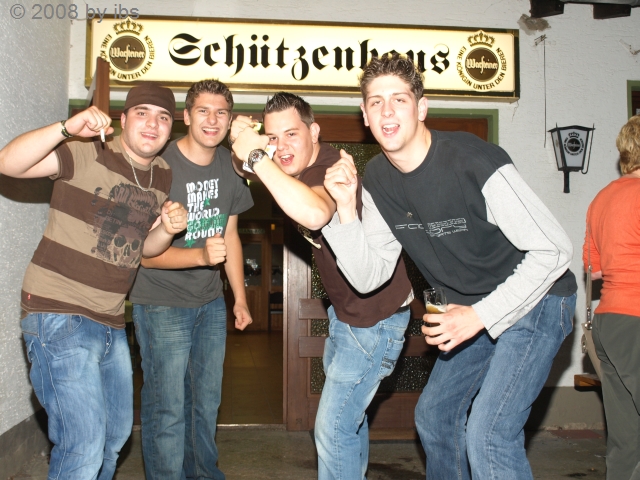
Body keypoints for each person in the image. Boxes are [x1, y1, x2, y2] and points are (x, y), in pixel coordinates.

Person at [321, 54, 578, 479]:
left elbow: (554, 250)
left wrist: (479, 316)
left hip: (539, 298)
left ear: (421, 108)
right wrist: (346, 210)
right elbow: (369, 277)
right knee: (436, 417)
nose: (387, 111)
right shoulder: (378, 178)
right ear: (365, 115)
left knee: (489, 434)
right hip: (470, 309)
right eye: (376, 102)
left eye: (399, 100)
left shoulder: (473, 160)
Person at [0, 83, 186, 480]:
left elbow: (144, 249)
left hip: (110, 321)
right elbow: (8, 163)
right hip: (59, 312)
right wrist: (66, 127)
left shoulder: (162, 174)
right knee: (82, 443)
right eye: (142, 113)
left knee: (113, 437)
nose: (152, 124)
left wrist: (167, 230)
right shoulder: (88, 149)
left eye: (163, 117)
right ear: (124, 118)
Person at [230, 92, 413, 480]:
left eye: (292, 134)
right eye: (273, 137)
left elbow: (314, 213)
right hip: (348, 316)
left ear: (314, 132)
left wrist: (257, 155)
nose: (282, 146)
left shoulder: (328, 169)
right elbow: (247, 164)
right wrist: (240, 141)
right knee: (349, 424)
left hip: (374, 321)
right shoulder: (291, 166)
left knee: (332, 431)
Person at [129, 79, 253, 480]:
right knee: (167, 407)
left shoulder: (230, 166)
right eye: (203, 110)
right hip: (161, 302)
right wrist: (200, 256)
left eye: (221, 112)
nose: (212, 120)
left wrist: (239, 298)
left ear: (230, 120)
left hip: (210, 303)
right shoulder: (160, 165)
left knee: (205, 404)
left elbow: (230, 235)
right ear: (185, 116)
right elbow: (144, 257)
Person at [583, 115, 640, 480]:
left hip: (610, 321)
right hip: (636, 320)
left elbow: (594, 269)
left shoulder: (602, 197)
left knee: (625, 438)